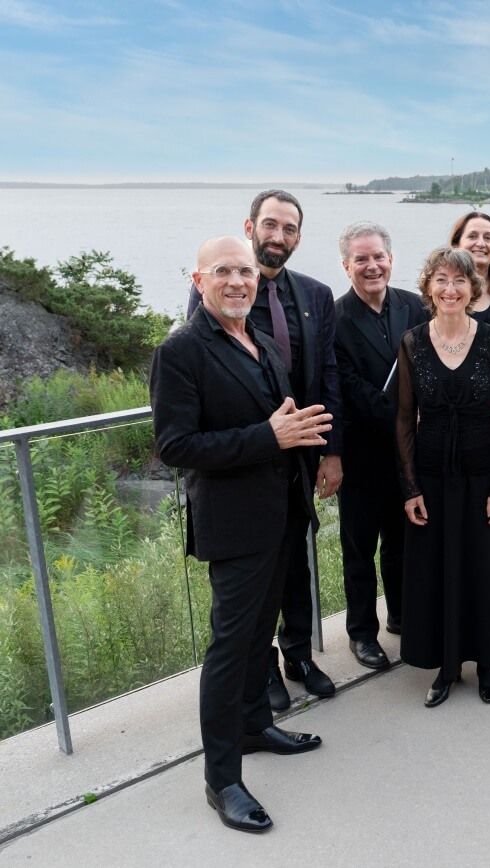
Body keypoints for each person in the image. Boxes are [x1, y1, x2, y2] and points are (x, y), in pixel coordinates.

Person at [152, 236, 331, 833]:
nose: (237, 281)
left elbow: (279, 420)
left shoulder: (259, 341)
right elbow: (175, 446)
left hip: (281, 514)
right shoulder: (181, 350)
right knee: (229, 650)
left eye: (246, 273)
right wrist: (269, 438)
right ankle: (221, 777)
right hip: (233, 526)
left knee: (260, 638)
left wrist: (299, 439)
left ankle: (255, 726)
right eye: (224, 271)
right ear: (199, 279)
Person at [187, 190, 342, 708]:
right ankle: (264, 670)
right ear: (250, 227)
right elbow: (202, 375)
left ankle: (299, 652)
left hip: (299, 454)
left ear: (298, 237)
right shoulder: (219, 293)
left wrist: (330, 449)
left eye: (289, 229)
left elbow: (328, 374)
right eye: (270, 225)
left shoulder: (317, 295)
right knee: (248, 586)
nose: (279, 236)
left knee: (293, 561)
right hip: (244, 462)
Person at [395, 247, 490, 707]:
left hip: (481, 474)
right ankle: (447, 666)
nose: (450, 289)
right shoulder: (412, 341)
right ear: (428, 288)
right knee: (439, 571)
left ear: (473, 288)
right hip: (432, 478)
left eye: (459, 281)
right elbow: (404, 418)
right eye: (441, 280)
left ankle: (487, 664)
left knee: (482, 569)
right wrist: (410, 486)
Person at [332, 221, 429, 670]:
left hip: (408, 455)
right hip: (361, 453)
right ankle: (361, 634)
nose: (372, 266)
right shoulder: (334, 318)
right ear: (346, 265)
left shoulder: (414, 306)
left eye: (378, 257)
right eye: (361, 259)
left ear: (390, 259)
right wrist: (400, 416)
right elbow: (344, 383)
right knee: (359, 549)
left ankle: (402, 617)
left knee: (401, 542)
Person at [450, 211, 490, 328]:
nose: (481, 244)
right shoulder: (442, 293)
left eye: (488, 238)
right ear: (456, 244)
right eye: (472, 236)